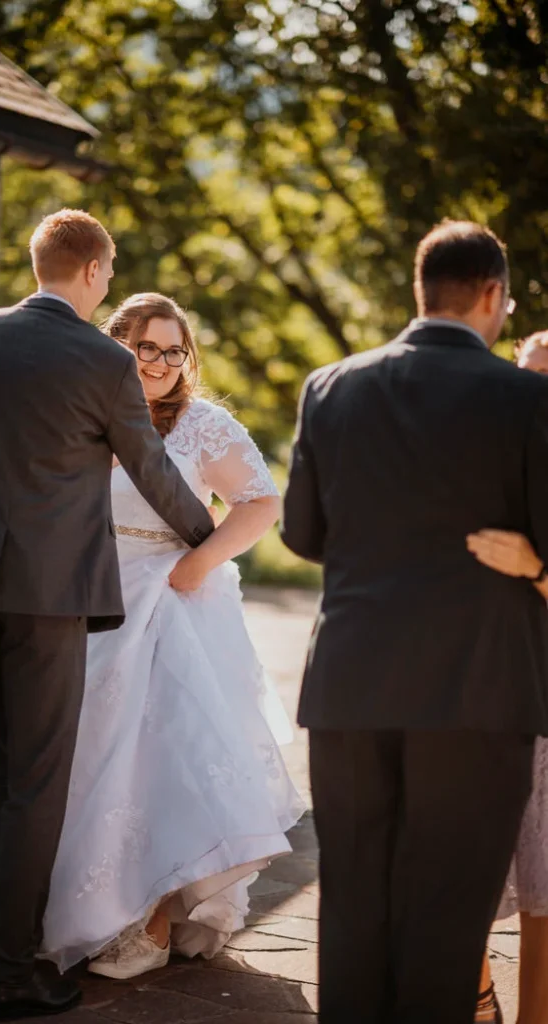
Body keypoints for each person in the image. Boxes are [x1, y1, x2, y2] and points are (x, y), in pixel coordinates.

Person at [0, 215, 215, 1022]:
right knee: (38, 783)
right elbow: (148, 468)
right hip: (49, 594)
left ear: (39, 264)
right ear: (94, 268)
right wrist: (209, 544)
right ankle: (14, 972)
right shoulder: (103, 360)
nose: (107, 282)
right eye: (108, 273)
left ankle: (4, 948)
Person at [0, 291, 305, 980]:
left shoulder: (201, 424)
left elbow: (261, 501)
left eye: (175, 350)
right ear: (116, 345)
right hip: (73, 598)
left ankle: (154, 918)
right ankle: (59, 914)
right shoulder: (77, 410)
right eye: (148, 348)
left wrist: (200, 560)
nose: (164, 363)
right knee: (68, 768)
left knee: (163, 760)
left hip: (169, 600)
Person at [281, 220, 548, 1024]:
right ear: (493, 295)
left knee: (353, 904)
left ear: (419, 291)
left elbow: (301, 533)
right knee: (447, 911)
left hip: (350, 686)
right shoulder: (527, 398)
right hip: (478, 691)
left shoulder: (329, 385)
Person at [467, 329, 548, 1024]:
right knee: (466, 863)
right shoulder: (482, 464)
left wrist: (539, 570)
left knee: (543, 878)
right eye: (523, 375)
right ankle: (478, 992)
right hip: (479, 690)